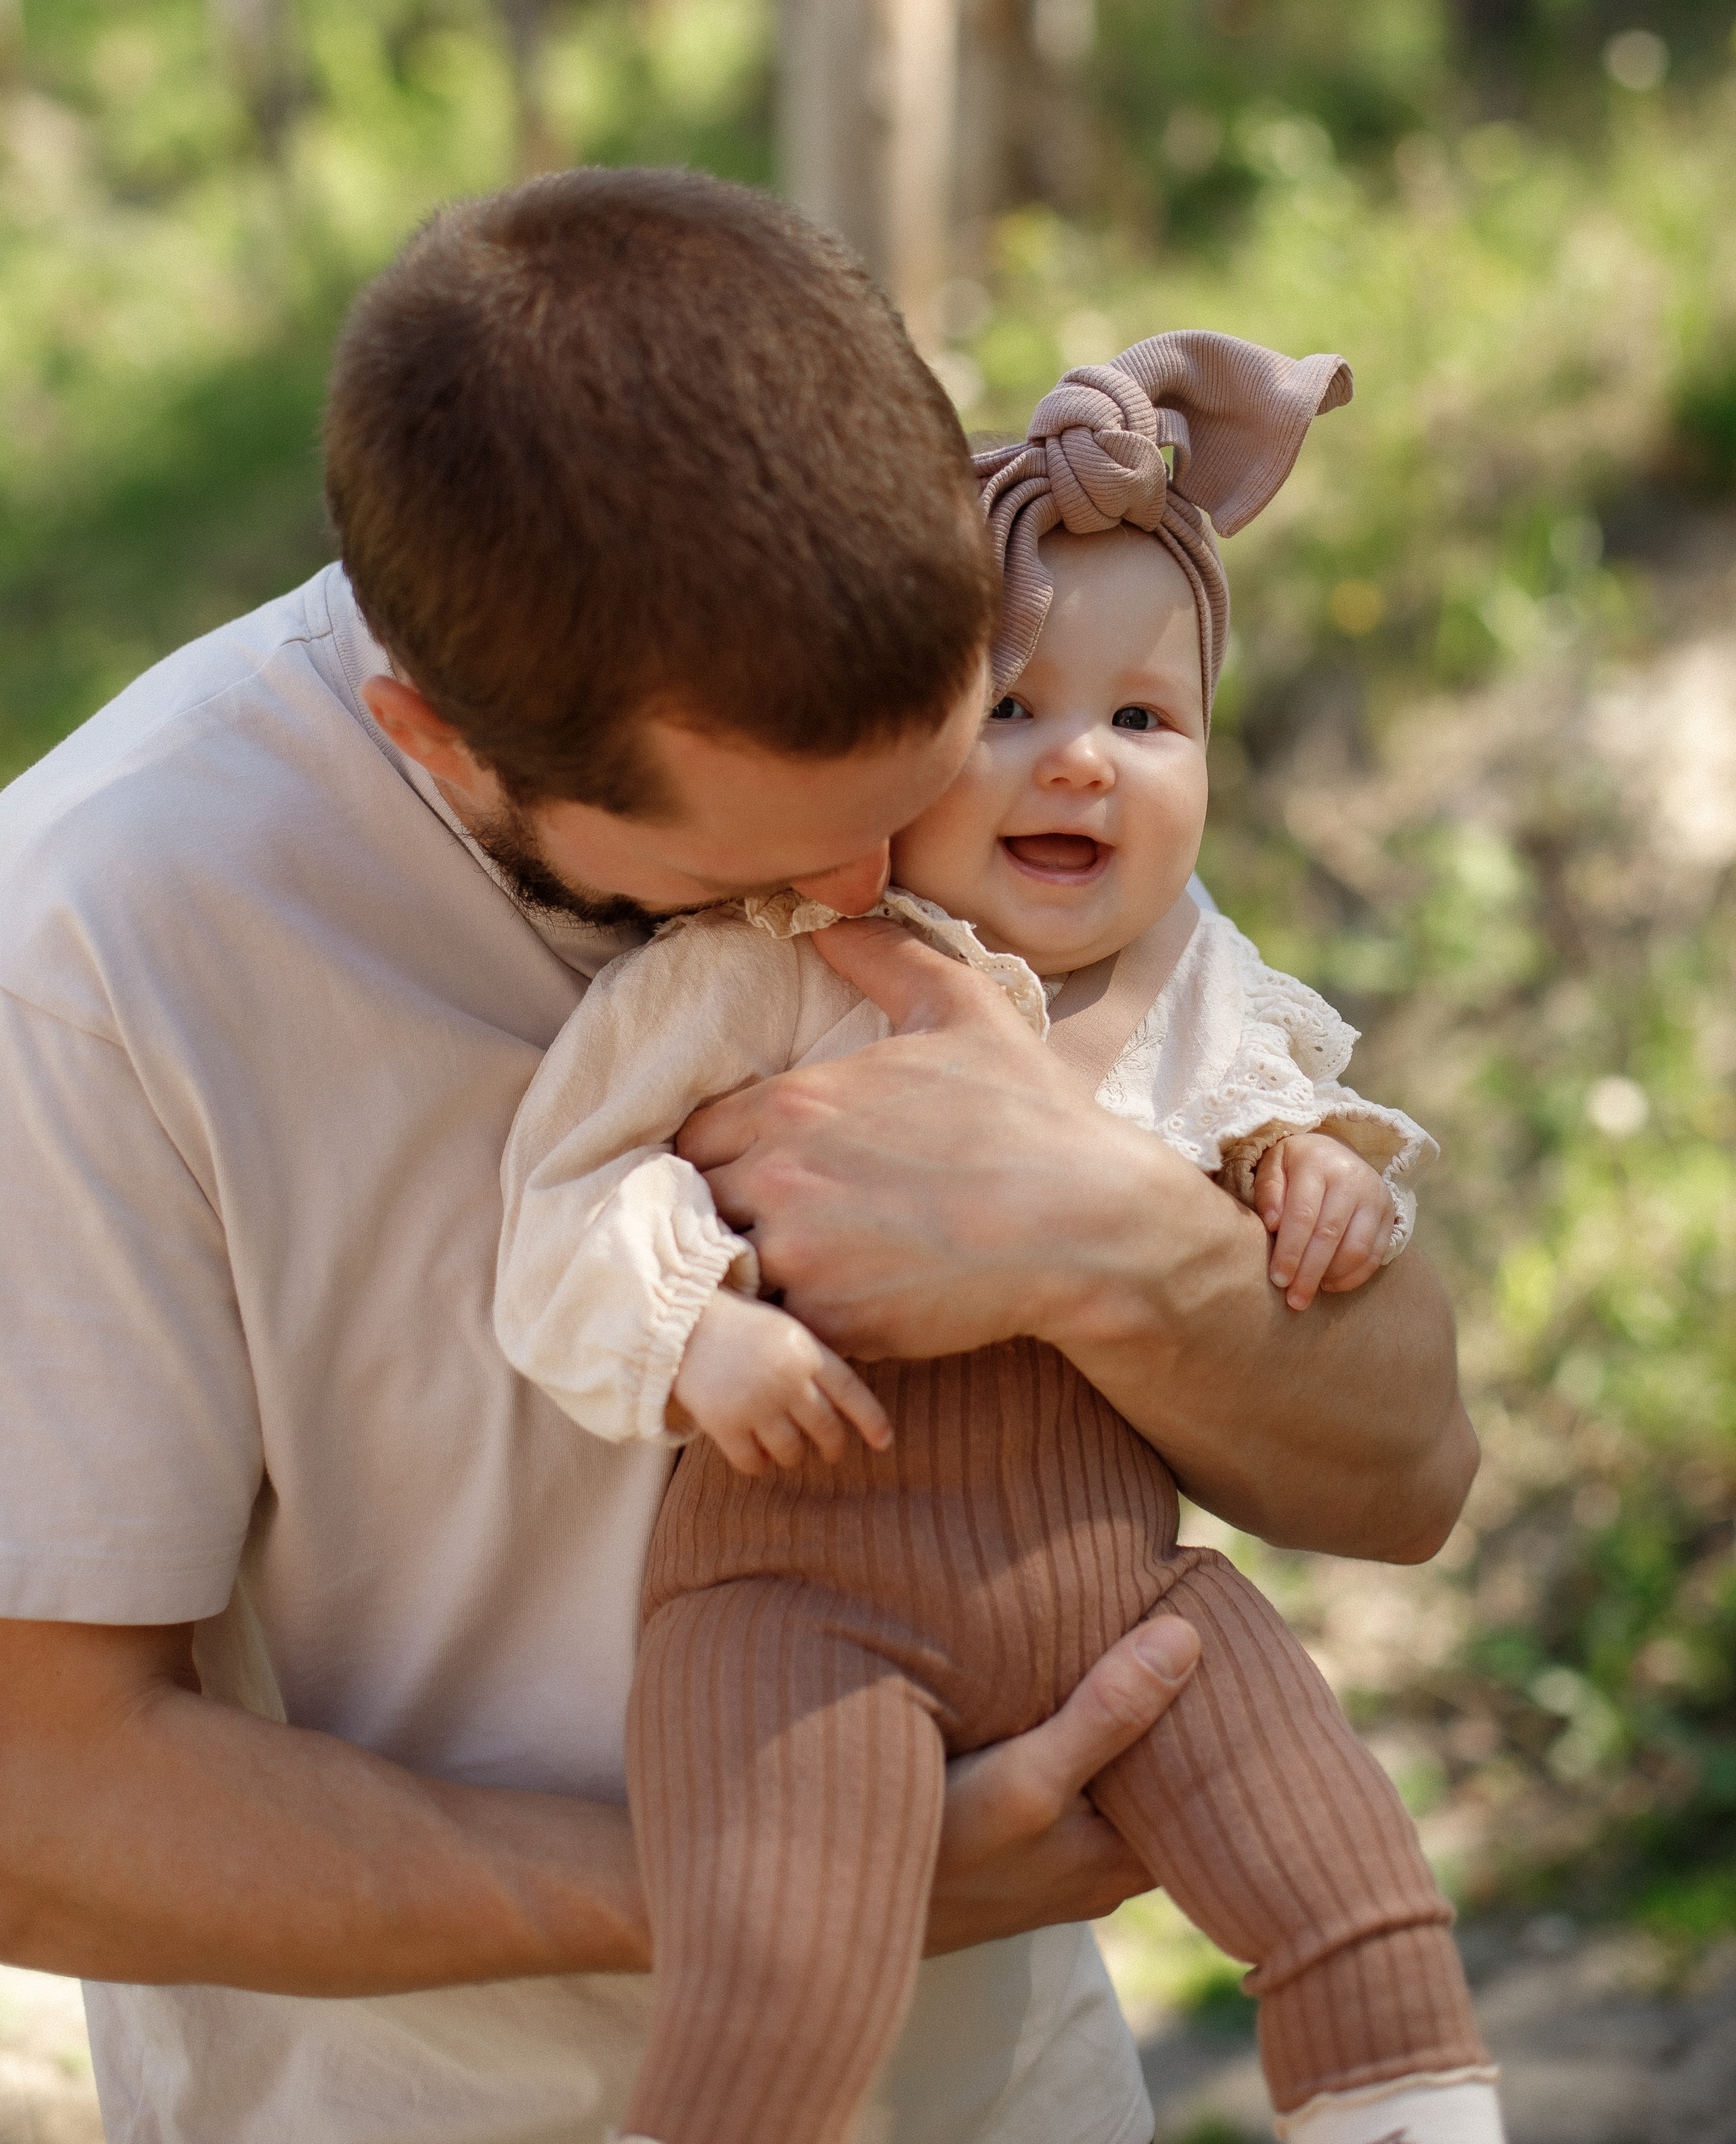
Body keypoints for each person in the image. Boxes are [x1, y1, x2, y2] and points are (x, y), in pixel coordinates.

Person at [0, 172, 1478, 2144]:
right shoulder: (95, 948)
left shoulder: (969, 708)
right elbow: (42, 1803)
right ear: (438, 744)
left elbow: (1408, 1474)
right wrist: (796, 1884)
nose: (872, 899)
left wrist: (1129, 1250)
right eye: (764, 866)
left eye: (919, 782)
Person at [494, 332, 1501, 2144]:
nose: (1078, 770)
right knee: (790, 1959)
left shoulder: (1205, 989)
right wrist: (693, 1327)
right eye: (1010, 714)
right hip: (800, 1594)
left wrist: (1323, 1186)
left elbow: (1295, 1142)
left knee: (1338, 1862)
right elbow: (565, 1192)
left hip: (1114, 1586)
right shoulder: (768, 968)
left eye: (1143, 722)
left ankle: (1402, 2101)